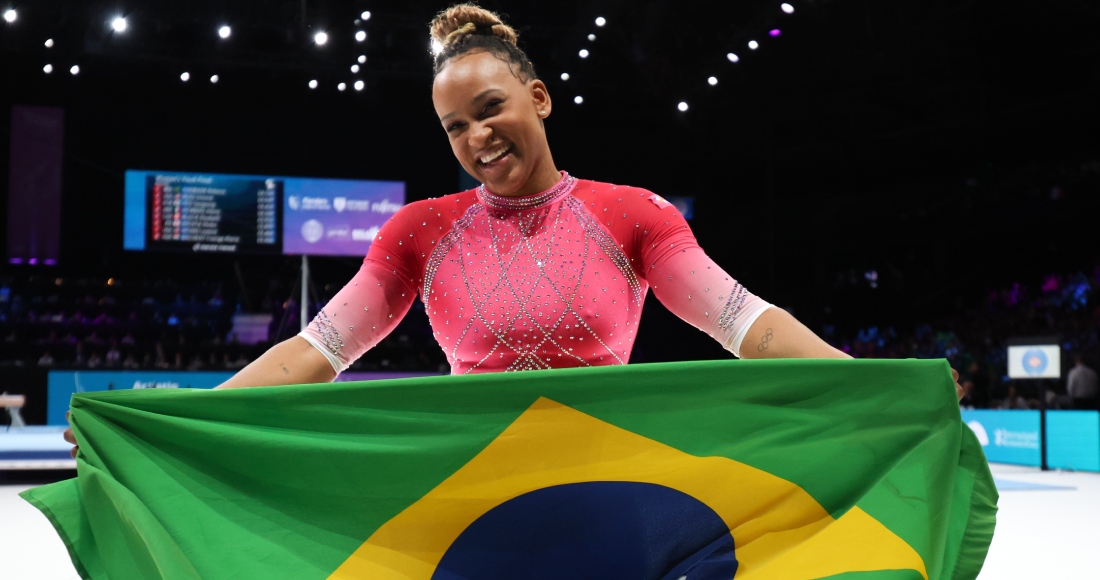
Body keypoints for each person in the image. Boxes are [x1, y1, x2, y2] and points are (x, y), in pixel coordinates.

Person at [66, 4, 962, 456]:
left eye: (491, 109)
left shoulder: (631, 214)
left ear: (539, 97)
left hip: (611, 482)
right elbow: (314, 352)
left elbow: (747, 324)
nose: (476, 138)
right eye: (454, 127)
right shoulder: (419, 232)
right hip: (471, 487)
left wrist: (873, 385)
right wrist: (192, 416)